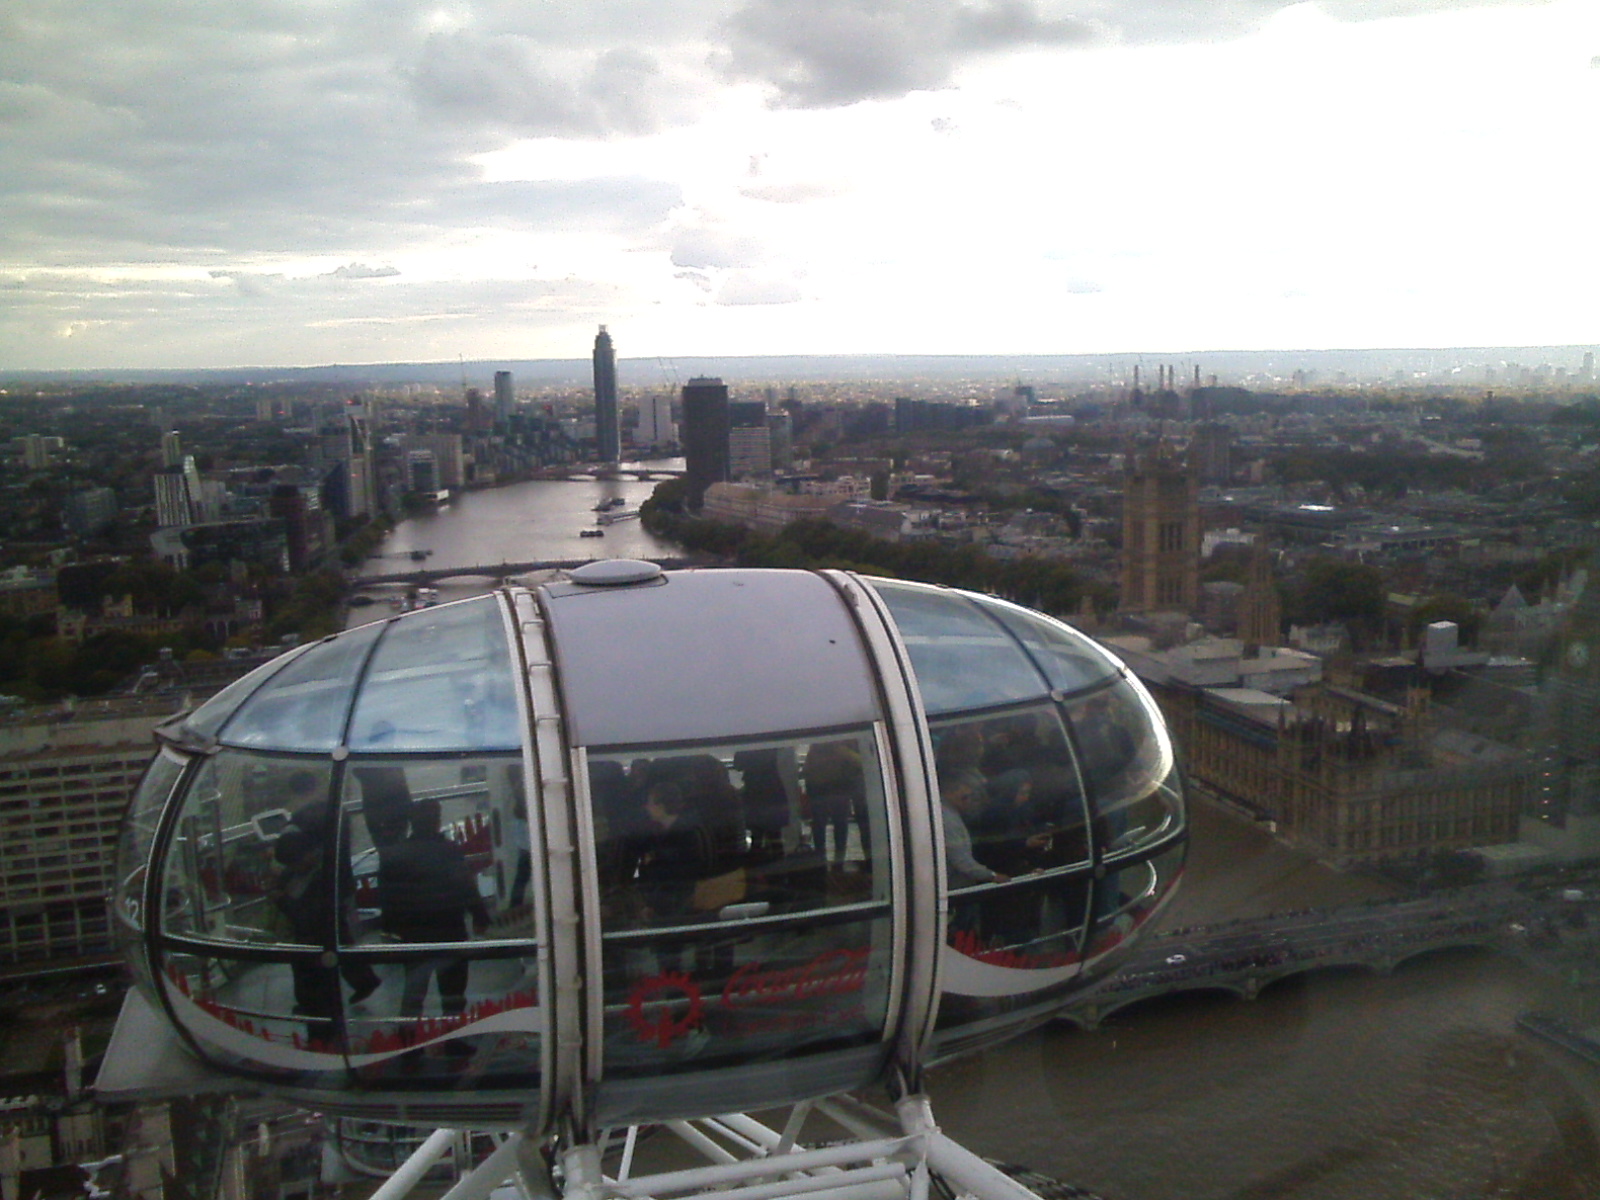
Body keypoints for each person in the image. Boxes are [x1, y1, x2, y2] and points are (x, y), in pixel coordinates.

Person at [271, 786, 380, 1043]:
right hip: (333, 902)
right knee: (339, 934)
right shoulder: (324, 843)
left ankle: (324, 1029)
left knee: (321, 968)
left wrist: (282, 900)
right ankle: (363, 980)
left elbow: (307, 917)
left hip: (314, 937)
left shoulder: (315, 877)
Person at [377, 798, 491, 1022]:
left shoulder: (395, 855)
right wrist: (480, 917)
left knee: (413, 993)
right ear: (436, 821)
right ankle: (452, 1033)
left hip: (413, 934)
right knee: (453, 993)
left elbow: (388, 897)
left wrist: (390, 928)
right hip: (450, 929)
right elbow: (466, 887)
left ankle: (408, 1036)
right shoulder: (449, 850)